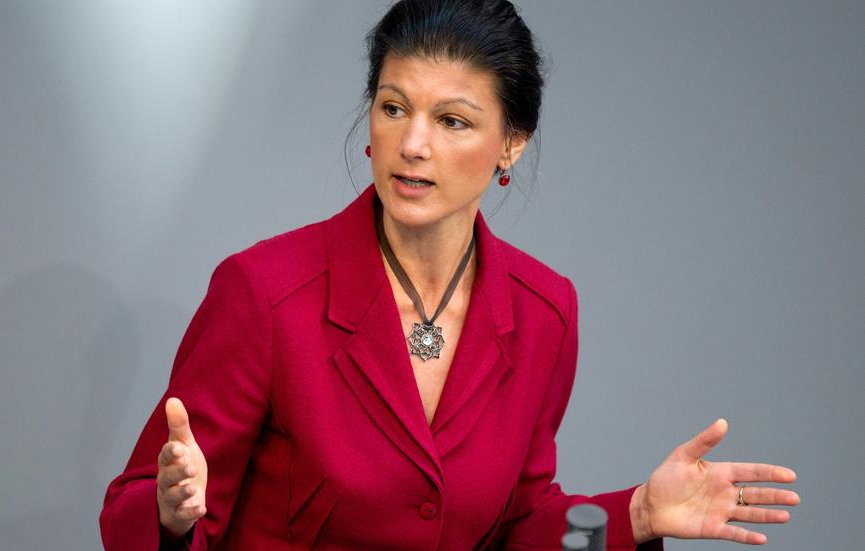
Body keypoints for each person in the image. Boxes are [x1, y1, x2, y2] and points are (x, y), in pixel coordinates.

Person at [100, 1, 800, 549]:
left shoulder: (545, 311)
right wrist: (169, 516)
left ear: (512, 143)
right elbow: (132, 506)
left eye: (453, 121)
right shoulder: (265, 292)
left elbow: (520, 526)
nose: (412, 143)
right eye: (393, 107)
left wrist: (636, 515)